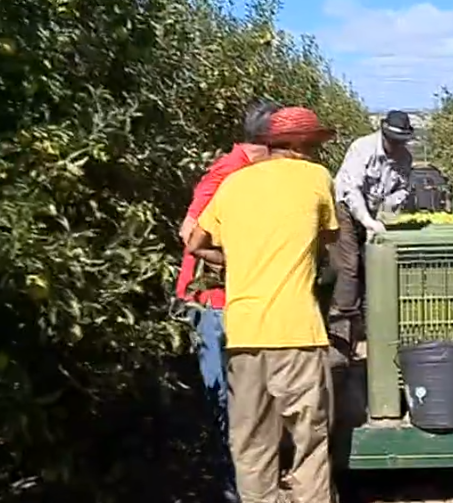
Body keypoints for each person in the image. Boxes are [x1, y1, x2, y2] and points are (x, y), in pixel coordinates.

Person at [186, 106, 338, 503]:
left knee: (252, 448)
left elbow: (194, 243)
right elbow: (326, 241)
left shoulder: (233, 185)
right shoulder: (317, 179)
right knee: (309, 448)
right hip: (299, 334)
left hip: (244, 333)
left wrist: (236, 260)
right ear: (303, 146)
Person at [174, 98, 281, 503]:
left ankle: (245, 479)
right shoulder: (227, 173)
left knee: (245, 395)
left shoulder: (252, 173)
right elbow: (189, 232)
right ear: (270, 142)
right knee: (225, 395)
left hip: (235, 299)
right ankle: (229, 487)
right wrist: (238, 261)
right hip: (212, 303)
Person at [330, 110, 414, 366]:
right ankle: (339, 335)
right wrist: (366, 221)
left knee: (371, 267)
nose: (395, 145)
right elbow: (351, 190)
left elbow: (401, 190)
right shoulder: (362, 148)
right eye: (391, 139)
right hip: (345, 208)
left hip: (374, 212)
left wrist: (389, 209)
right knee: (349, 268)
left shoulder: (405, 158)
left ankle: (366, 329)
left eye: (400, 141)